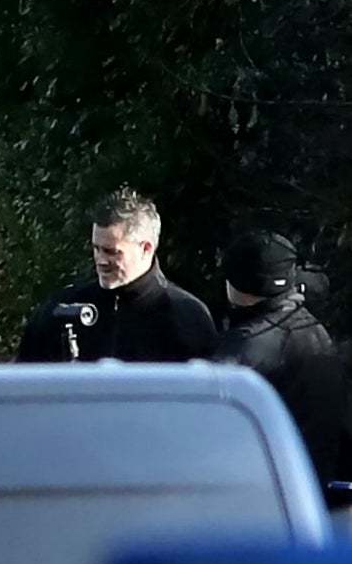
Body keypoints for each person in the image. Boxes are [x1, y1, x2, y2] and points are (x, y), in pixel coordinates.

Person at [17, 188, 216, 363]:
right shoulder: (63, 310)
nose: (101, 260)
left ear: (146, 248)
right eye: (96, 249)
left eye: (112, 252)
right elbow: (25, 385)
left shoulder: (185, 317)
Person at [214, 231, 345, 484]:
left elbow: (209, 432)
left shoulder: (245, 349)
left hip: (262, 496)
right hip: (312, 491)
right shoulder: (312, 329)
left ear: (233, 281)